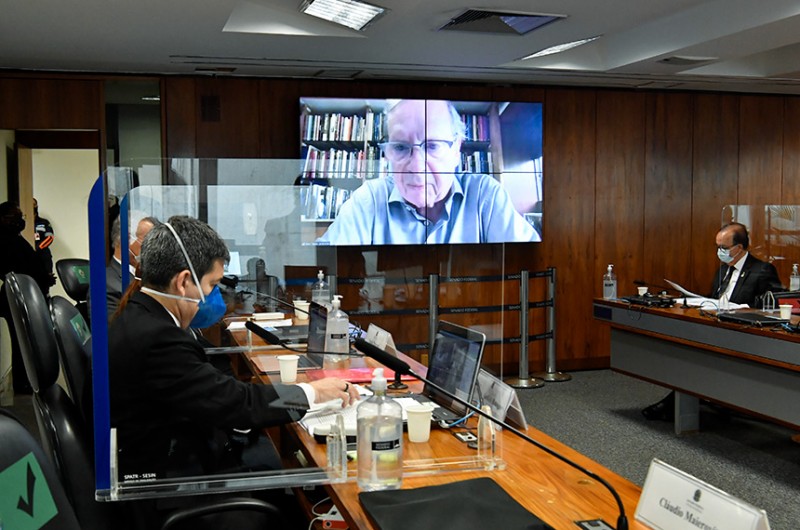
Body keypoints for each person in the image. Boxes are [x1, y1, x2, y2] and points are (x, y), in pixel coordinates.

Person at [109, 215, 359, 484]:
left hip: (182, 450)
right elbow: (236, 404)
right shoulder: (159, 339)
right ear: (183, 282)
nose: (211, 294)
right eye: (211, 285)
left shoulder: (141, 315)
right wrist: (312, 393)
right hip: (173, 480)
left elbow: (214, 393)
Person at [317, 99, 540, 245]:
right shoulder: (368, 200)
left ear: (456, 150)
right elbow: (323, 269)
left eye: (432, 146)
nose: (416, 166)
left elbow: (530, 266)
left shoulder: (485, 195)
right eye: (400, 147)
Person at [642, 222, 784, 421]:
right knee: (689, 352)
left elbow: (774, 305)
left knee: (699, 358)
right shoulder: (722, 270)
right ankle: (684, 400)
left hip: (744, 334)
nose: (719, 252)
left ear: (739, 248)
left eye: (723, 248)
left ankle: (674, 403)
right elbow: (713, 299)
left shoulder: (762, 270)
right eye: (717, 247)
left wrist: (745, 310)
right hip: (717, 328)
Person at [0, 201, 51, 394]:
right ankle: (22, 382)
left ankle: (27, 380)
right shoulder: (5, 241)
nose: (20, 220)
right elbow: (18, 269)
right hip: (16, 298)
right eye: (15, 216)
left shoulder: (15, 238)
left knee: (27, 341)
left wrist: (44, 277)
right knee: (21, 341)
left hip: (26, 296)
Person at [89, 215, 159, 322]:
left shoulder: (149, 274)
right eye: (149, 240)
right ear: (127, 239)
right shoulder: (103, 283)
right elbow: (113, 326)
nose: (154, 248)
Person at [32, 197, 57, 292]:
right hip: (28, 256)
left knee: (44, 287)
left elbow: (50, 238)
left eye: (33, 205)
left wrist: (37, 248)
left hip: (43, 256)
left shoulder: (44, 222)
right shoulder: (22, 223)